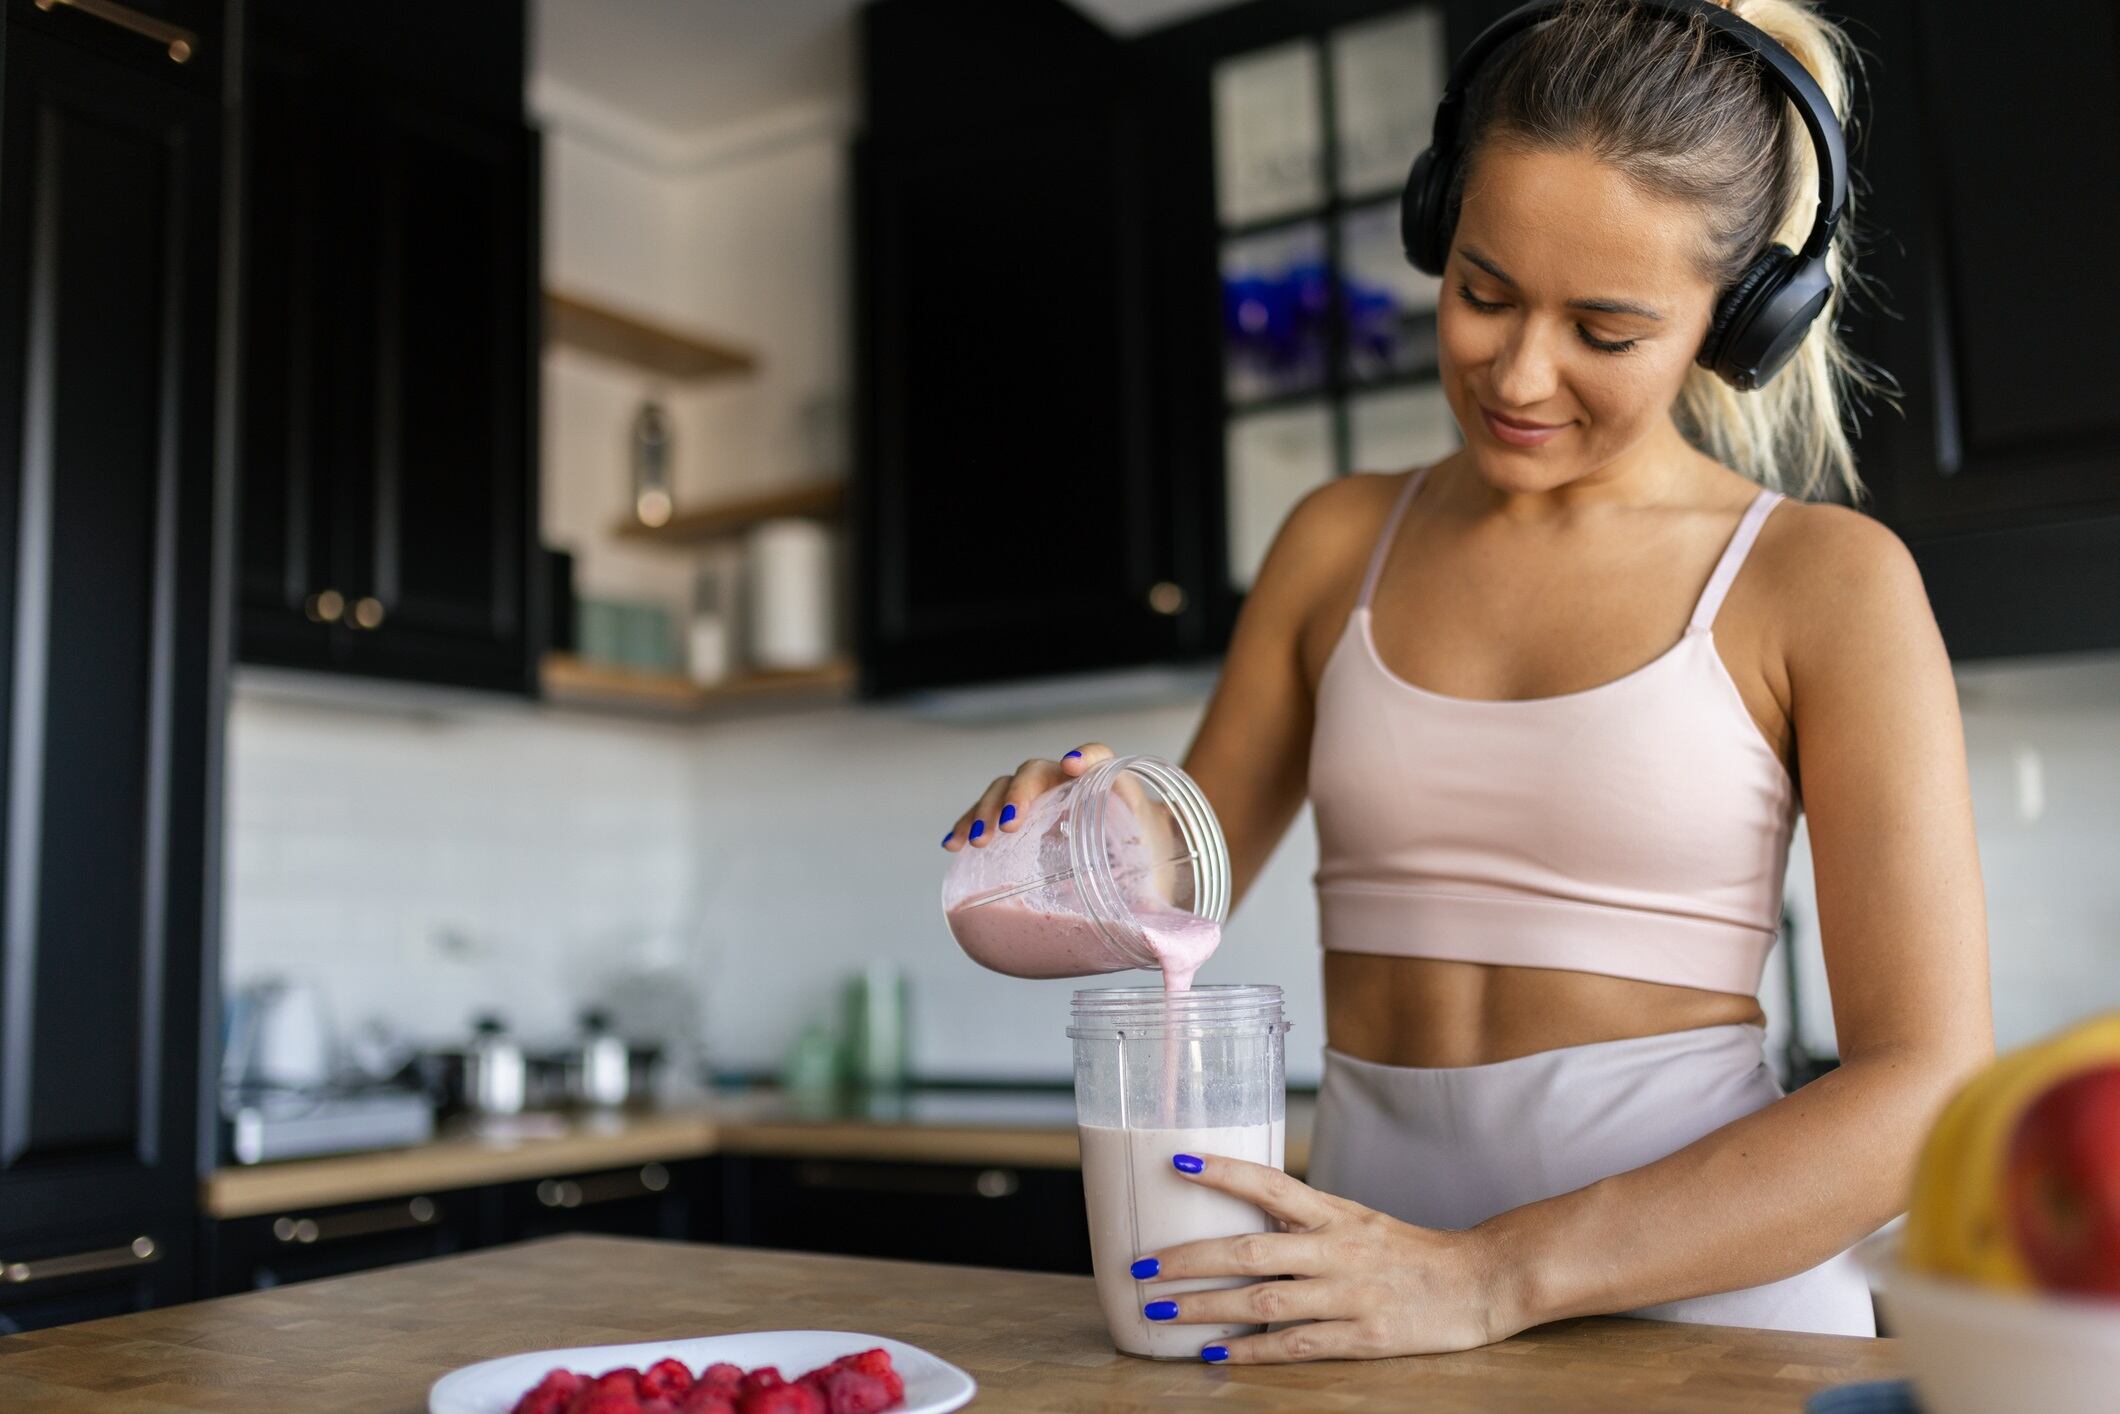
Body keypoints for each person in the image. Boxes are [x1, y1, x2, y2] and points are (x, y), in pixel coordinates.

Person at [942, 0, 1992, 1361]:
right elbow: (1174, 873)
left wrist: (1488, 1275)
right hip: (1355, 1310)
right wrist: (1058, 846)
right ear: (1441, 224)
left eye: (1605, 330)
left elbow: (1929, 1088)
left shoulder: (1823, 581)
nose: (1516, 367)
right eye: (1483, 289)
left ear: (1736, 322)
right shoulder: (1337, 543)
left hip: (1702, 1320)